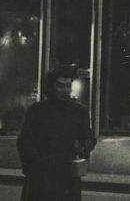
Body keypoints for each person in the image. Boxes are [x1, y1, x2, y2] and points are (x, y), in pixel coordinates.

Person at [17, 66, 96, 201]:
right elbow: (24, 142)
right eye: (60, 86)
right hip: (41, 177)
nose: (65, 90)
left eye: (68, 86)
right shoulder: (36, 111)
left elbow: (89, 138)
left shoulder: (79, 112)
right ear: (51, 87)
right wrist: (33, 168)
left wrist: (83, 146)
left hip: (67, 178)